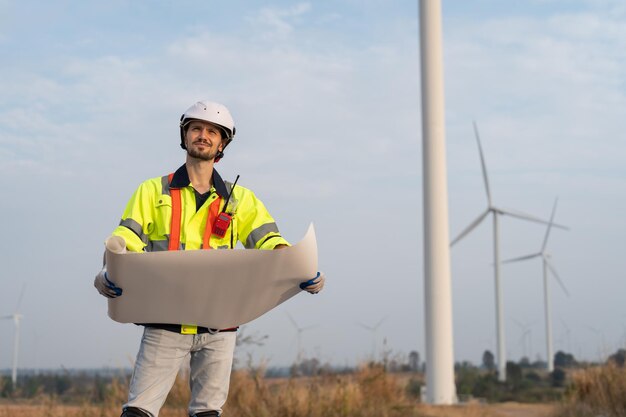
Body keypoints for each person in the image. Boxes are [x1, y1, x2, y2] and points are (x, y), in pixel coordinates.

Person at [94, 100, 325, 417]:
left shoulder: (240, 199)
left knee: (207, 413)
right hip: (165, 320)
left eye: (212, 131)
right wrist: (109, 267)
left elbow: (271, 243)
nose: (203, 135)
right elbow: (126, 239)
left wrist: (303, 268)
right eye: (197, 128)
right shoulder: (152, 191)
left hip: (220, 325)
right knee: (138, 411)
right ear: (185, 136)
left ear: (223, 142)